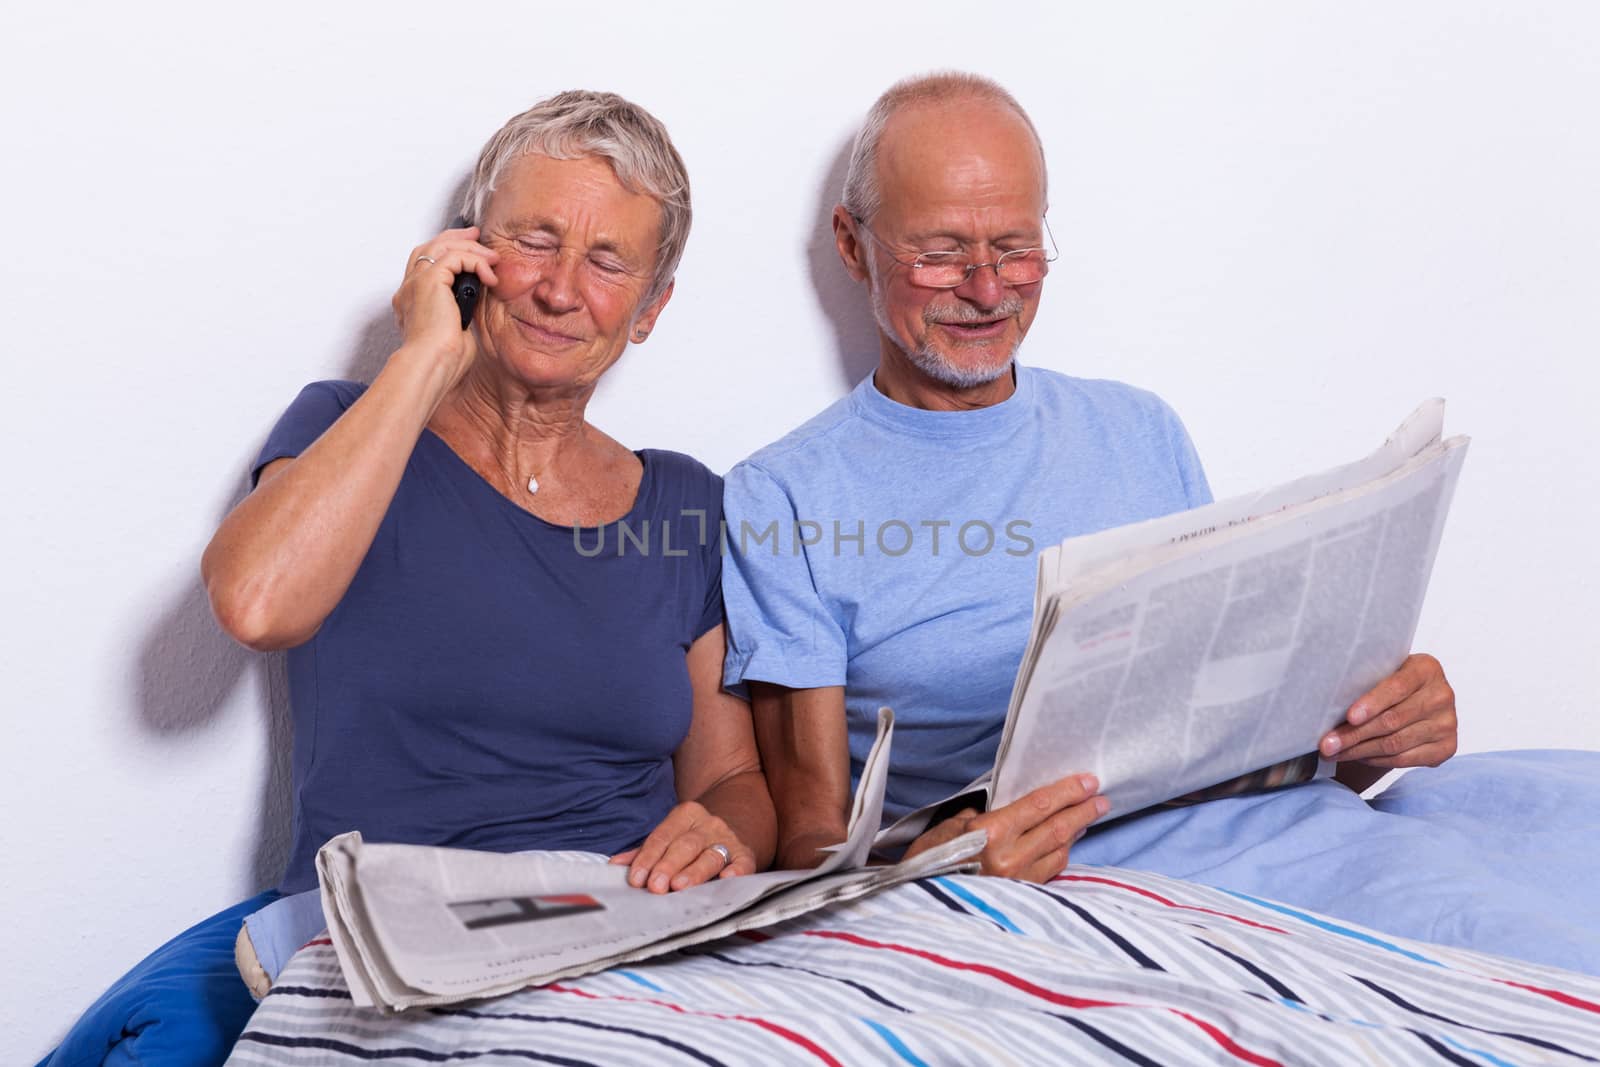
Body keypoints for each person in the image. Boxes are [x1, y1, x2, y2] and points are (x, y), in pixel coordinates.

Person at [41, 89, 774, 1067]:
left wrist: (725, 831)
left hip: (620, 937)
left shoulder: (685, 503)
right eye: (535, 240)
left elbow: (733, 777)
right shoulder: (348, 425)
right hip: (398, 942)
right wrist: (427, 353)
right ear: (469, 252)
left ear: (650, 307)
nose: (561, 288)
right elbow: (257, 603)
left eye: (607, 262)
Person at [721, 71, 1459, 882]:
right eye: (940, 254)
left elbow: (1233, 741)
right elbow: (811, 840)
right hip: (1060, 888)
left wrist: (1372, 737)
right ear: (852, 245)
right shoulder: (784, 496)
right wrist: (931, 863)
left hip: (1268, 838)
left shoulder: (1142, 430)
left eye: (1016, 248)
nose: (987, 288)